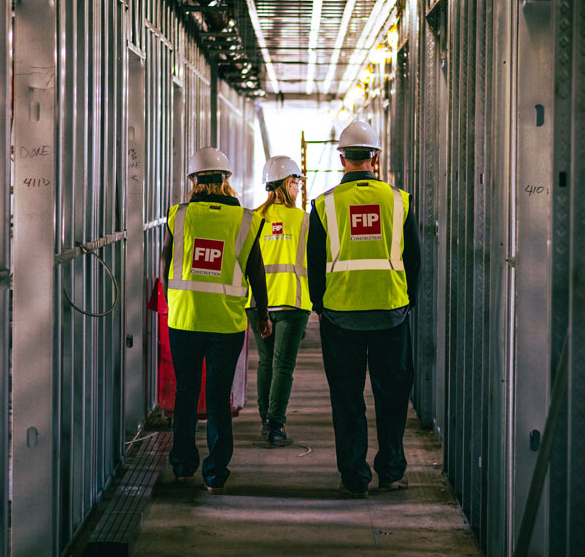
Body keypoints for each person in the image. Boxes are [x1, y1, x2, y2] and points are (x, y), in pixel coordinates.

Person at [307, 121, 420, 498]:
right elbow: (414, 260)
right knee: (392, 396)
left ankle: (355, 477)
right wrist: (406, 302)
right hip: (390, 313)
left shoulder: (324, 205)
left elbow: (314, 263)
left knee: (347, 399)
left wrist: (321, 306)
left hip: (341, 317)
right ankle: (390, 470)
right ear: (376, 157)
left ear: (342, 158)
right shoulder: (400, 201)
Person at [160, 147, 270, 494]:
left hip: (185, 321)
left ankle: (182, 466)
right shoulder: (246, 220)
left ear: (193, 180)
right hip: (227, 324)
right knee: (219, 397)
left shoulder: (178, 216)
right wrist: (262, 316)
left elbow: (164, 268)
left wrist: (175, 300)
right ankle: (215, 475)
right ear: (227, 181)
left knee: (186, 393)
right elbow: (257, 273)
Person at [247, 155, 313, 447]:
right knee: (283, 366)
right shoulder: (303, 220)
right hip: (291, 301)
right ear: (288, 183)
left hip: (257, 304)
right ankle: (275, 426)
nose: (298, 187)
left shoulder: (252, 219)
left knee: (266, 363)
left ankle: (266, 420)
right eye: (297, 182)